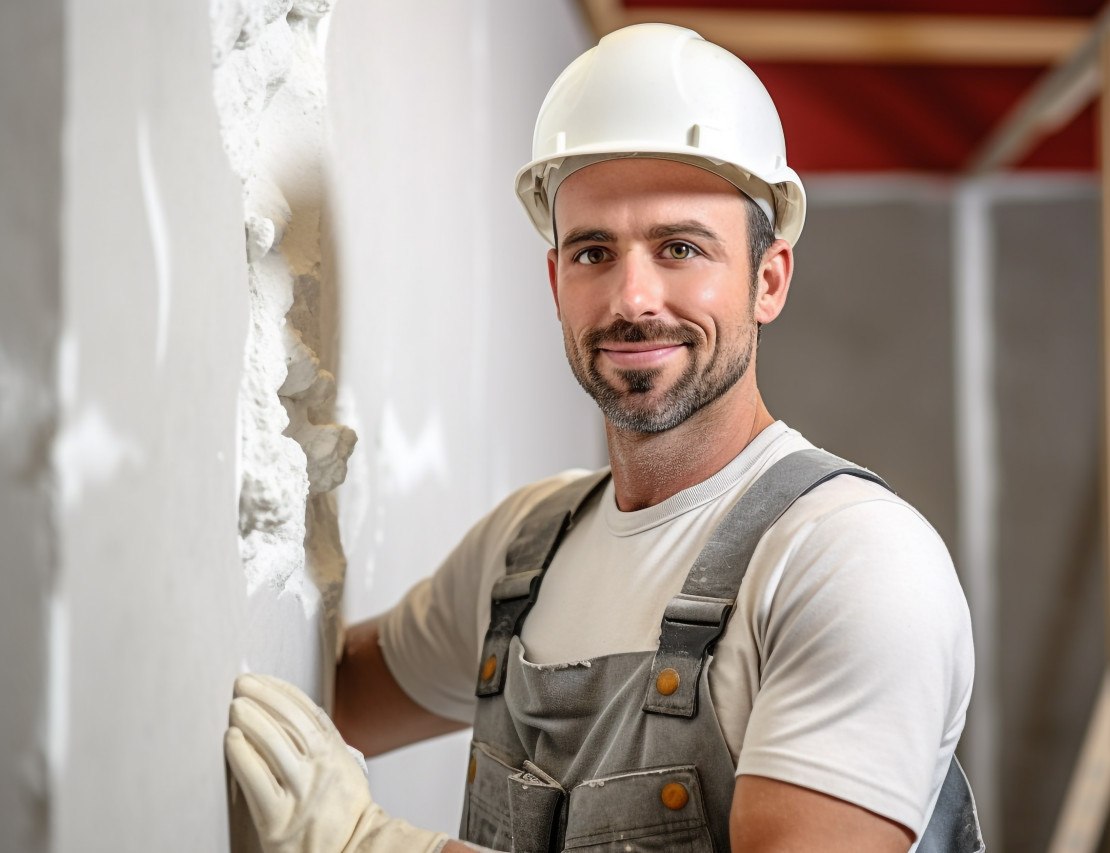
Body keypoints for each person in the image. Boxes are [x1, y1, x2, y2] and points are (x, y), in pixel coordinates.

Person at [225, 22, 980, 853]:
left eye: (680, 247)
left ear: (768, 280)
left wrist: (376, 845)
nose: (632, 296)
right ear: (555, 280)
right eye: (592, 251)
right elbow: (306, 696)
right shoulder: (524, 551)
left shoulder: (851, 560)